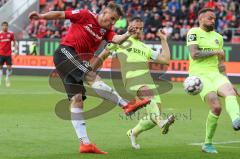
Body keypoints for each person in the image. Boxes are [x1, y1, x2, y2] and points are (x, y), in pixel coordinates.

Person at [28, 2, 150, 154]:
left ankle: (84, 143)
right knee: (90, 75)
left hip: (75, 60)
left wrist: (127, 33)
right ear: (104, 12)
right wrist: (41, 16)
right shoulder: (85, 15)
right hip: (66, 52)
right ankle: (126, 104)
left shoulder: (107, 31)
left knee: (77, 99)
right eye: (111, 18)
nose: (112, 23)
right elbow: (61, 14)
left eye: (115, 21)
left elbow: (116, 39)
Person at [94, 17, 175, 149]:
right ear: (129, 27)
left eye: (140, 28)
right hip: (132, 80)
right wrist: (92, 71)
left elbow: (165, 60)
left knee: (153, 116)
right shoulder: (121, 40)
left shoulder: (145, 47)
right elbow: (103, 54)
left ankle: (133, 132)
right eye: (135, 28)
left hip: (148, 82)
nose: (138, 31)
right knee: (155, 112)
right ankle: (162, 123)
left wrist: (163, 39)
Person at [186, 8, 240, 154]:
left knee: (230, 92)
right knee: (216, 107)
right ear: (201, 19)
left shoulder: (219, 38)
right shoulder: (193, 32)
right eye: (210, 18)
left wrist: (228, 80)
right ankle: (207, 143)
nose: (213, 20)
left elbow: (221, 63)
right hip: (199, 76)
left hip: (216, 74)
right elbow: (194, 54)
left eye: (214, 18)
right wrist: (215, 51)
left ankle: (237, 120)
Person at [0, 21, 17, 87]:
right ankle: (0, 80)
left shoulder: (10, 34)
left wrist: (15, 50)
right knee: (0, 67)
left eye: (6, 26)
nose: (4, 27)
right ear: (2, 27)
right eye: (3, 26)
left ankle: (7, 79)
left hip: (8, 54)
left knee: (9, 68)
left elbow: (14, 41)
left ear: (7, 26)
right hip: (1, 53)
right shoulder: (0, 34)